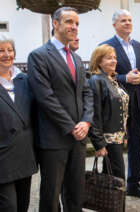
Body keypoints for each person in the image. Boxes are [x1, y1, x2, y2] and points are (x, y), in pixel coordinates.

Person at [27, 7, 94, 211]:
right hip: (54, 138)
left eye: (76, 23)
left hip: (79, 138)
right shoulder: (38, 56)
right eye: (68, 22)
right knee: (51, 195)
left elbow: (87, 93)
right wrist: (71, 126)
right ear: (55, 23)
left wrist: (86, 121)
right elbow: (45, 98)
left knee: (76, 194)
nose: (74, 27)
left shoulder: (75, 58)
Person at [100, 9, 140, 199]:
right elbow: (100, 75)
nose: (127, 23)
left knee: (136, 145)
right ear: (114, 24)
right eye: (123, 20)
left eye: (130, 20)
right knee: (113, 146)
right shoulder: (106, 46)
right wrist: (125, 78)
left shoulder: (138, 46)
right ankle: (111, 187)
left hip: (136, 102)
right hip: (115, 106)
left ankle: (133, 184)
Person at [0, 35, 38, 212]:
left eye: (10, 50)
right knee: (9, 207)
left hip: (24, 154)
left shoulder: (24, 80)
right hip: (2, 157)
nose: (6, 54)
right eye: (1, 50)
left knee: (23, 205)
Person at [88, 44, 129, 180]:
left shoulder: (113, 80)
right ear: (99, 61)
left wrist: (124, 135)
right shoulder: (96, 80)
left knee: (114, 176)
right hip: (107, 139)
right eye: (108, 58)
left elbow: (122, 109)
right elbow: (94, 114)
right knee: (116, 177)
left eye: (114, 58)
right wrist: (99, 144)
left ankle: (113, 202)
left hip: (117, 137)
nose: (114, 61)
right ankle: (115, 202)